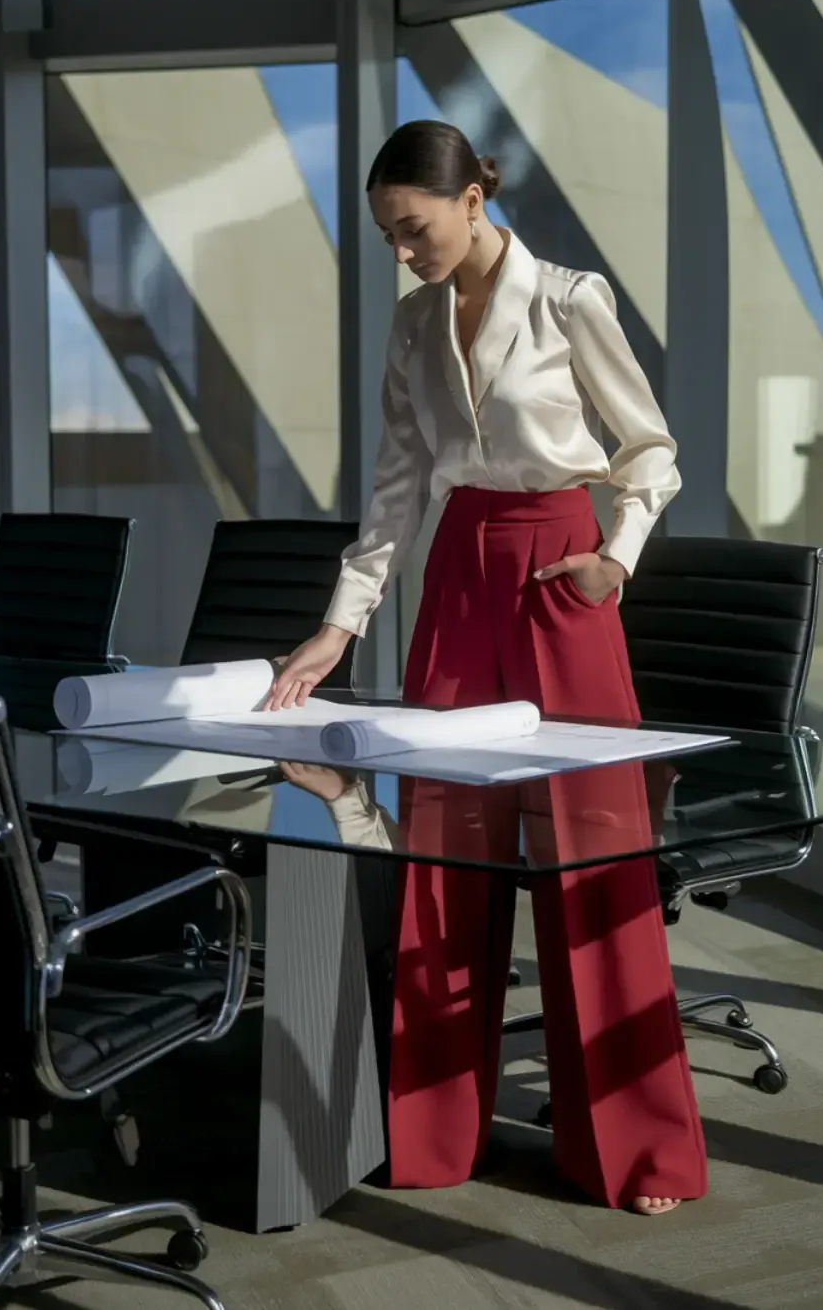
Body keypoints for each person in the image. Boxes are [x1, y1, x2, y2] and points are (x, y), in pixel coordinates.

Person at [263, 119, 707, 1215]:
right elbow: (396, 492)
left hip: (562, 576)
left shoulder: (569, 300)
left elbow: (649, 448)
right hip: (458, 581)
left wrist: (615, 556)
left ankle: (632, 1150)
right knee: (444, 857)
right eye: (387, 236)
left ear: (472, 200)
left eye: (412, 229)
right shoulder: (413, 327)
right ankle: (432, 1132)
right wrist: (338, 625)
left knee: (591, 861)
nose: (402, 252)